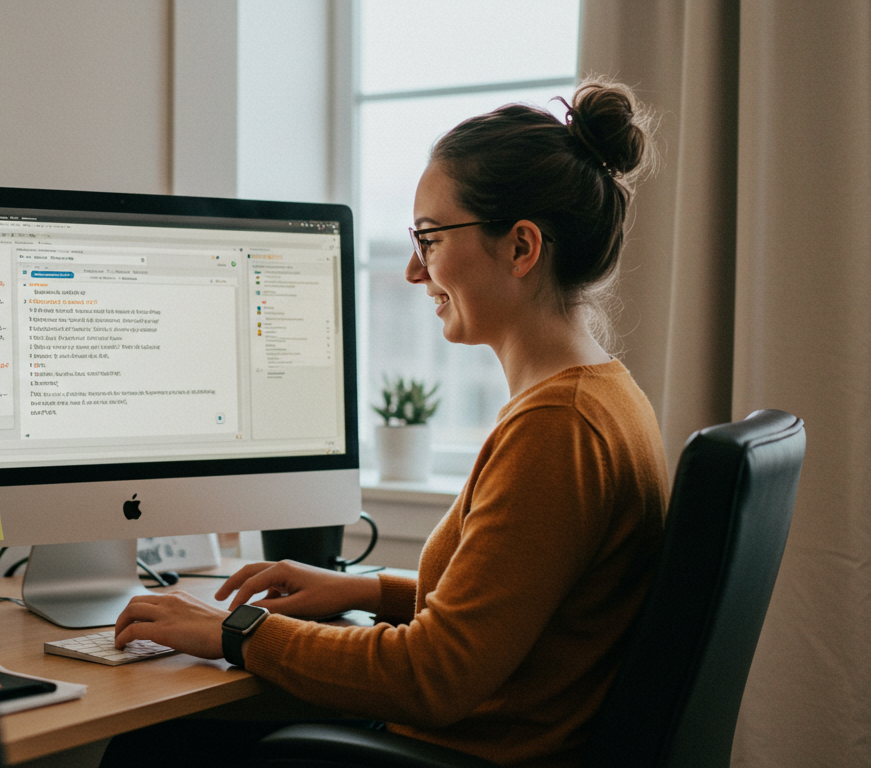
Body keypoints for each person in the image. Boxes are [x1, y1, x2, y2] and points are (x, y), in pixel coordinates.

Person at [100, 79, 667, 768]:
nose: (411, 270)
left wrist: (233, 629)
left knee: (150, 748)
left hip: (465, 753)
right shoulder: (604, 397)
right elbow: (515, 610)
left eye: (429, 238)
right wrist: (366, 590)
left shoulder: (558, 429)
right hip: (485, 741)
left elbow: (433, 675)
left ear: (521, 247)